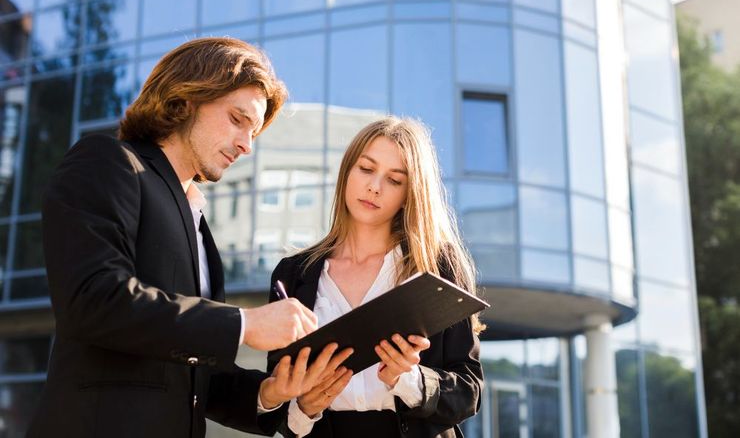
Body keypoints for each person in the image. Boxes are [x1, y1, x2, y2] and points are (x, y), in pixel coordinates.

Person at [27, 37, 351, 438]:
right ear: (187, 98)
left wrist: (272, 392)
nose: (247, 145)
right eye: (237, 119)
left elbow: (194, 377)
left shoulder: (198, 224)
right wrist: (243, 324)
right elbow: (94, 300)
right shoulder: (108, 161)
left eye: (254, 132)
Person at [267, 116, 484, 437]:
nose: (374, 187)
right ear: (347, 172)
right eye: (366, 169)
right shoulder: (294, 274)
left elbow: (469, 392)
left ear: (410, 193)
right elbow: (275, 401)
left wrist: (408, 378)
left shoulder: (438, 266)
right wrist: (305, 409)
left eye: (394, 180)